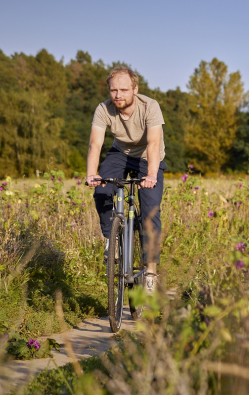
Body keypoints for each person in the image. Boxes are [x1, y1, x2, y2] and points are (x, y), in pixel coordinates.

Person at [86, 66, 166, 295]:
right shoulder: (104, 109)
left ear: (135, 89)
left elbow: (152, 144)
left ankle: (150, 272)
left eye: (123, 90)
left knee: (150, 211)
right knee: (102, 191)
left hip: (147, 158)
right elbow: (95, 144)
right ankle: (112, 240)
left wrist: (151, 175)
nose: (118, 95)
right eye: (113, 90)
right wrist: (93, 174)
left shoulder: (150, 107)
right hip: (120, 153)